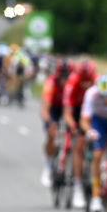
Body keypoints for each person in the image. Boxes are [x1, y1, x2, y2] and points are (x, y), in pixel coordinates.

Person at [79, 73, 107, 212]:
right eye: (103, 96)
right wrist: (90, 131)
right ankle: (96, 195)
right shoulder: (91, 94)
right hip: (98, 121)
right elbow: (84, 120)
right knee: (97, 154)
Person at [62, 59, 98, 209]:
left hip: (92, 112)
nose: (85, 84)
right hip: (76, 112)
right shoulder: (71, 83)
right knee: (78, 145)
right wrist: (73, 127)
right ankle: (78, 185)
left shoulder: (97, 81)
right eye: (82, 80)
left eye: (87, 80)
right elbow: (67, 112)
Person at [40, 58, 70, 186]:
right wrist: (50, 122)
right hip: (53, 108)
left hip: (68, 107)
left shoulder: (72, 83)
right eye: (61, 77)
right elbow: (45, 109)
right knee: (51, 135)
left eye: (66, 77)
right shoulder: (50, 83)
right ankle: (48, 165)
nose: (64, 80)